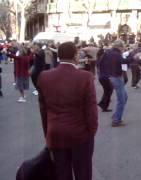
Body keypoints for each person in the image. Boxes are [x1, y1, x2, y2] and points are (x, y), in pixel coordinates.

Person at [37, 41, 98, 180]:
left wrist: (47, 134)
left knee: (62, 174)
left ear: (58, 56)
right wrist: (91, 131)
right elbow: (91, 109)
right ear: (76, 56)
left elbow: (43, 111)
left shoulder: (44, 76)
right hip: (80, 134)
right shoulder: (85, 76)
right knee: (83, 173)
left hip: (56, 133)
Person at [103, 40, 133, 127]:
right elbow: (123, 61)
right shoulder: (116, 54)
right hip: (116, 77)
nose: (123, 48)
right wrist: (134, 58)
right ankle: (116, 120)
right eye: (122, 46)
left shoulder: (110, 52)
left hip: (113, 76)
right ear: (119, 46)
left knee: (124, 96)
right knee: (121, 99)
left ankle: (116, 115)